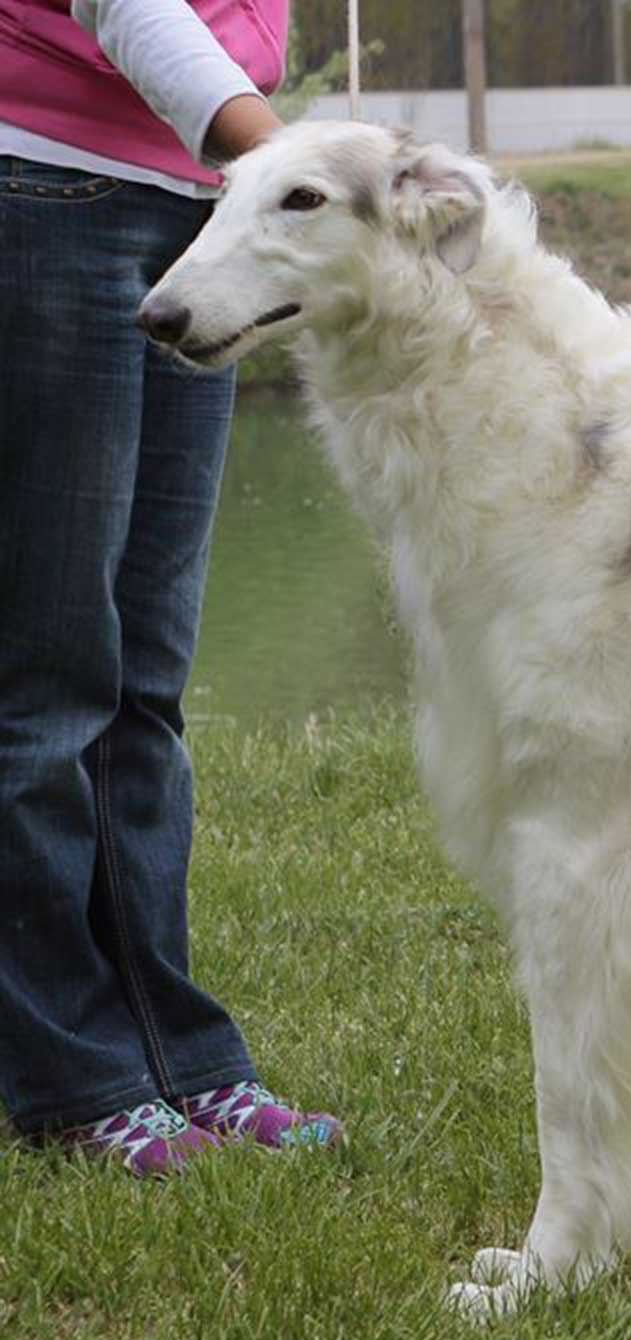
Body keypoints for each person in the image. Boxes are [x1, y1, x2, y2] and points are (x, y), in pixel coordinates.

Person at [0, 0, 341, 1175]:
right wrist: (292, 163)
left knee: (147, 675)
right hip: (47, 191)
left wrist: (258, 176)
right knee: (51, 681)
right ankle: (72, 1080)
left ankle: (176, 1056)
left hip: (202, 204)